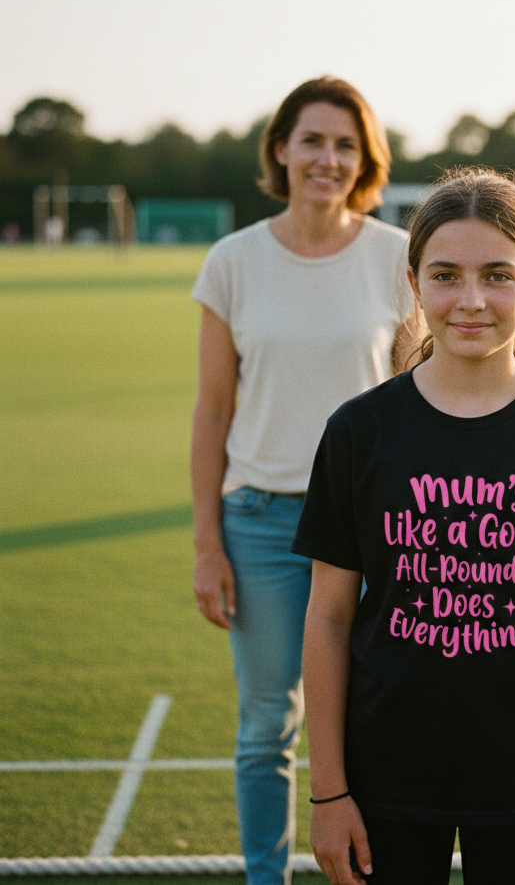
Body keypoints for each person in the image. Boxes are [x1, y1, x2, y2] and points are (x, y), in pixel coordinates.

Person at [293, 169, 515, 885]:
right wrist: (329, 792)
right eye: (446, 275)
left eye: (497, 275)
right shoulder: (359, 432)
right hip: (385, 776)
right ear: (413, 282)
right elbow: (330, 618)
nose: (470, 301)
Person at [190, 77, 417, 885]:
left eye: (345, 145)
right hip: (258, 524)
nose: (328, 158)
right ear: (280, 148)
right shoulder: (233, 261)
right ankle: (265, 878)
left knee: (374, 722)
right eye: (312, 141)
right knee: (264, 727)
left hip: (372, 532)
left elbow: (416, 402)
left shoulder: (398, 258)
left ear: (365, 161)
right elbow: (213, 411)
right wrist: (208, 546)